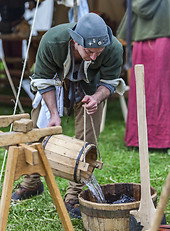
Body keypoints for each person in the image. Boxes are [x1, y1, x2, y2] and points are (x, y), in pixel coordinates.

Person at [12, 12, 126, 218]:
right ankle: (31, 183)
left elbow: (110, 82)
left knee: (87, 141)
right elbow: (43, 78)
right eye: (89, 51)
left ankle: (74, 195)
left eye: (98, 53)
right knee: (38, 130)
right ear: (75, 41)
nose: (94, 57)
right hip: (56, 84)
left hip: (91, 90)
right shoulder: (52, 41)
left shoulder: (113, 47)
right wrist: (54, 113)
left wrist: (97, 98)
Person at [117, 0, 170, 149]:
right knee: (162, 90)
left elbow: (138, 6)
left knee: (142, 89)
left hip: (142, 43)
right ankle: (163, 139)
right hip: (164, 39)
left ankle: (139, 139)